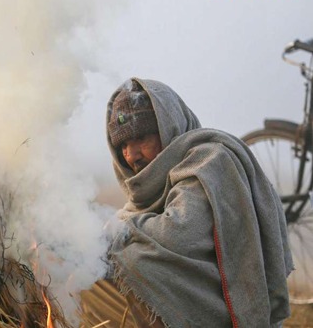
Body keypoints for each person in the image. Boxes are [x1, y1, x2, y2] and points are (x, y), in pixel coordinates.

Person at [87, 78, 293, 327]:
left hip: (229, 309)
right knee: (89, 265)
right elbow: (124, 226)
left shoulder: (208, 162)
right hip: (196, 297)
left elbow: (178, 232)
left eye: (141, 138)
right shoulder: (149, 190)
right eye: (123, 146)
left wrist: (116, 233)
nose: (132, 155)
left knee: (134, 259)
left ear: (168, 127)